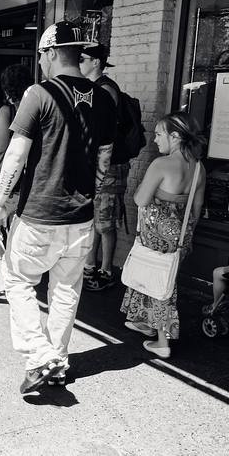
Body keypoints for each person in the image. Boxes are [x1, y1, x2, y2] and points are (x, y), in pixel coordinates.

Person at [0, 21, 116, 393]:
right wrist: (88, 196)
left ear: (51, 53)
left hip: (39, 213)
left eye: (41, 55)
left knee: (17, 281)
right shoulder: (105, 99)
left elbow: (16, 154)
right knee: (65, 290)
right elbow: (104, 161)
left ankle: (41, 355)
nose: (41, 62)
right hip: (80, 218)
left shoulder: (39, 94)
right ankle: (57, 363)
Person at [120, 112, 205, 359]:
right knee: (164, 281)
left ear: (175, 136)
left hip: (155, 235)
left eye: (159, 134)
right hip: (179, 237)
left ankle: (162, 341)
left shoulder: (161, 164)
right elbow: (196, 209)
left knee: (154, 282)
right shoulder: (199, 168)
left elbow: (140, 199)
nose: (155, 140)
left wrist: (154, 190)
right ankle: (146, 323)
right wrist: (185, 238)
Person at [0, 65, 34, 302]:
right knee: (12, 231)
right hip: (30, 179)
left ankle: (6, 278)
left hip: (6, 179)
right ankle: (11, 279)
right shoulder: (38, 108)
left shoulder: (7, 110)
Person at [79, 44, 126, 292]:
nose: (79, 63)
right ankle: (90, 265)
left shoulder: (106, 90)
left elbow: (100, 130)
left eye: (83, 59)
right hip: (98, 164)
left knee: (105, 222)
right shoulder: (93, 89)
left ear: (96, 62)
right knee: (95, 218)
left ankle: (106, 270)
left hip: (111, 165)